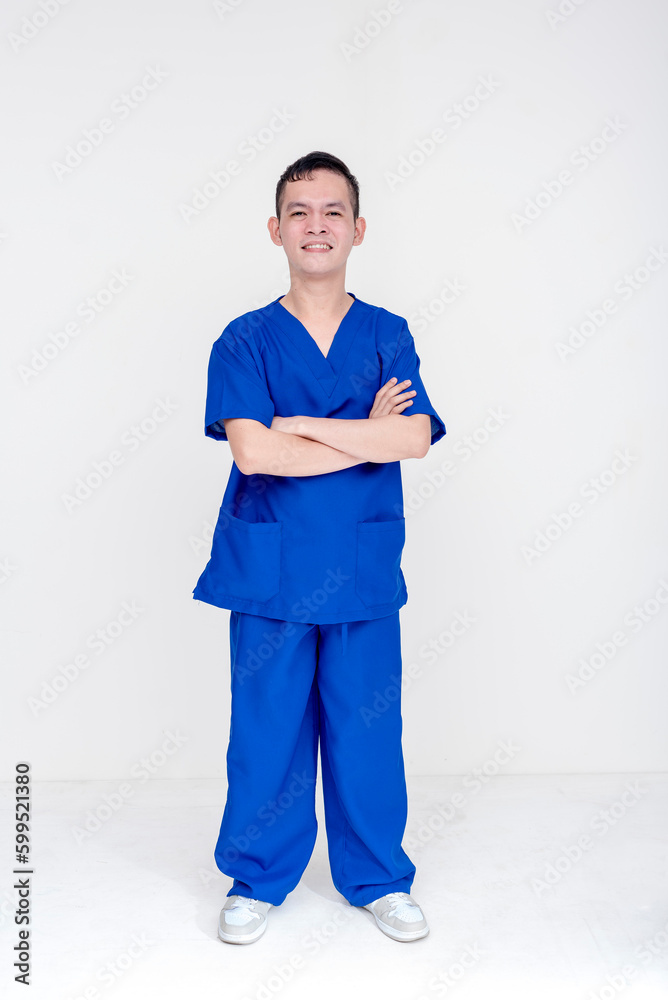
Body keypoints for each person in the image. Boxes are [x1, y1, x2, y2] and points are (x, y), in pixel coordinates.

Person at [193, 151, 445, 945]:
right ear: (275, 228)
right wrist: (363, 436)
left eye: (333, 211)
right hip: (271, 571)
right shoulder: (244, 340)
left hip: (362, 569)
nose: (316, 225)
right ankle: (257, 878)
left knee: (367, 728)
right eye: (299, 212)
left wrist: (303, 424)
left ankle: (378, 878)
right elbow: (253, 455)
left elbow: (413, 436)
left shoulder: (387, 333)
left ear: (358, 229)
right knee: (267, 727)